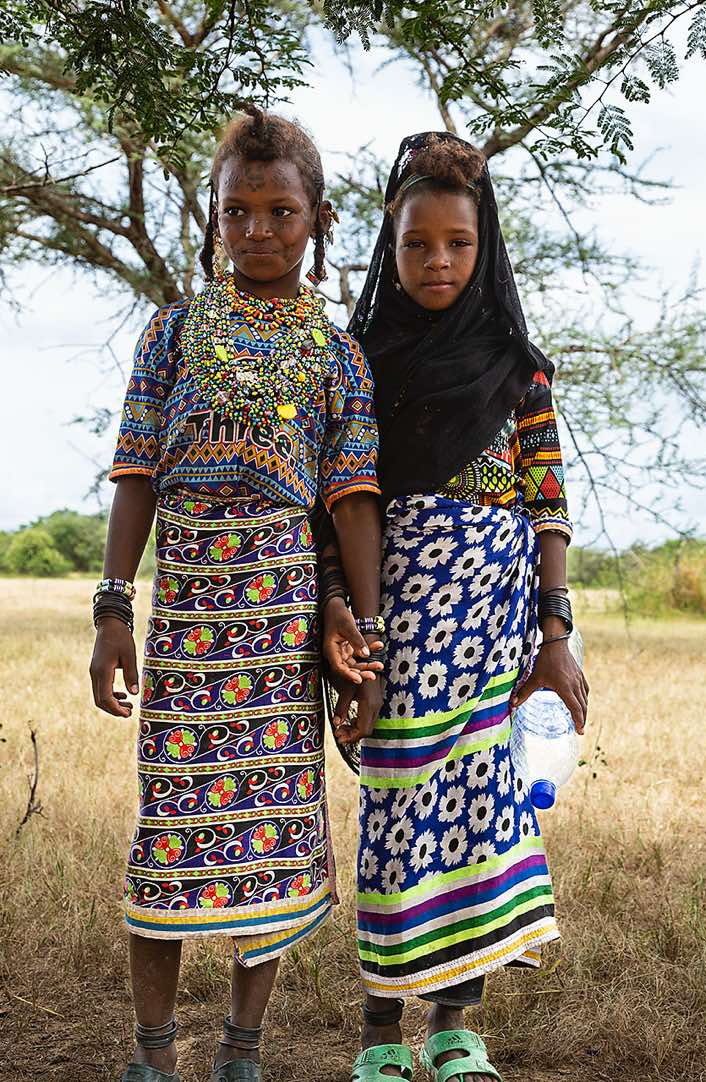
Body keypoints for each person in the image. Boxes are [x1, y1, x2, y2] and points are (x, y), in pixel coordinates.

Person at [89, 106, 384, 1082]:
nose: (258, 231)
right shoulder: (171, 332)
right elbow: (136, 472)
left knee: (268, 833)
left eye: (280, 212)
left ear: (317, 219)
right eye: (237, 212)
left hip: (277, 624)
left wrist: (365, 629)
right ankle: (149, 1054)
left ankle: (239, 1051)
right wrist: (111, 608)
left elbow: (349, 502)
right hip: (188, 618)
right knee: (169, 834)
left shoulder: (337, 354)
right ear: (210, 220)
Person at [327, 132, 589, 1082]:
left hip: (494, 627)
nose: (437, 261)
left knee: (477, 816)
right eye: (416, 244)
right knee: (399, 813)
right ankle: (378, 1039)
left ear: (488, 250)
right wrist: (343, 624)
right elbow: (339, 504)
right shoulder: (359, 363)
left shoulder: (519, 368)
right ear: (387, 252)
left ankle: (457, 1031)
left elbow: (547, 506)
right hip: (391, 624)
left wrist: (553, 635)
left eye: (458, 244)